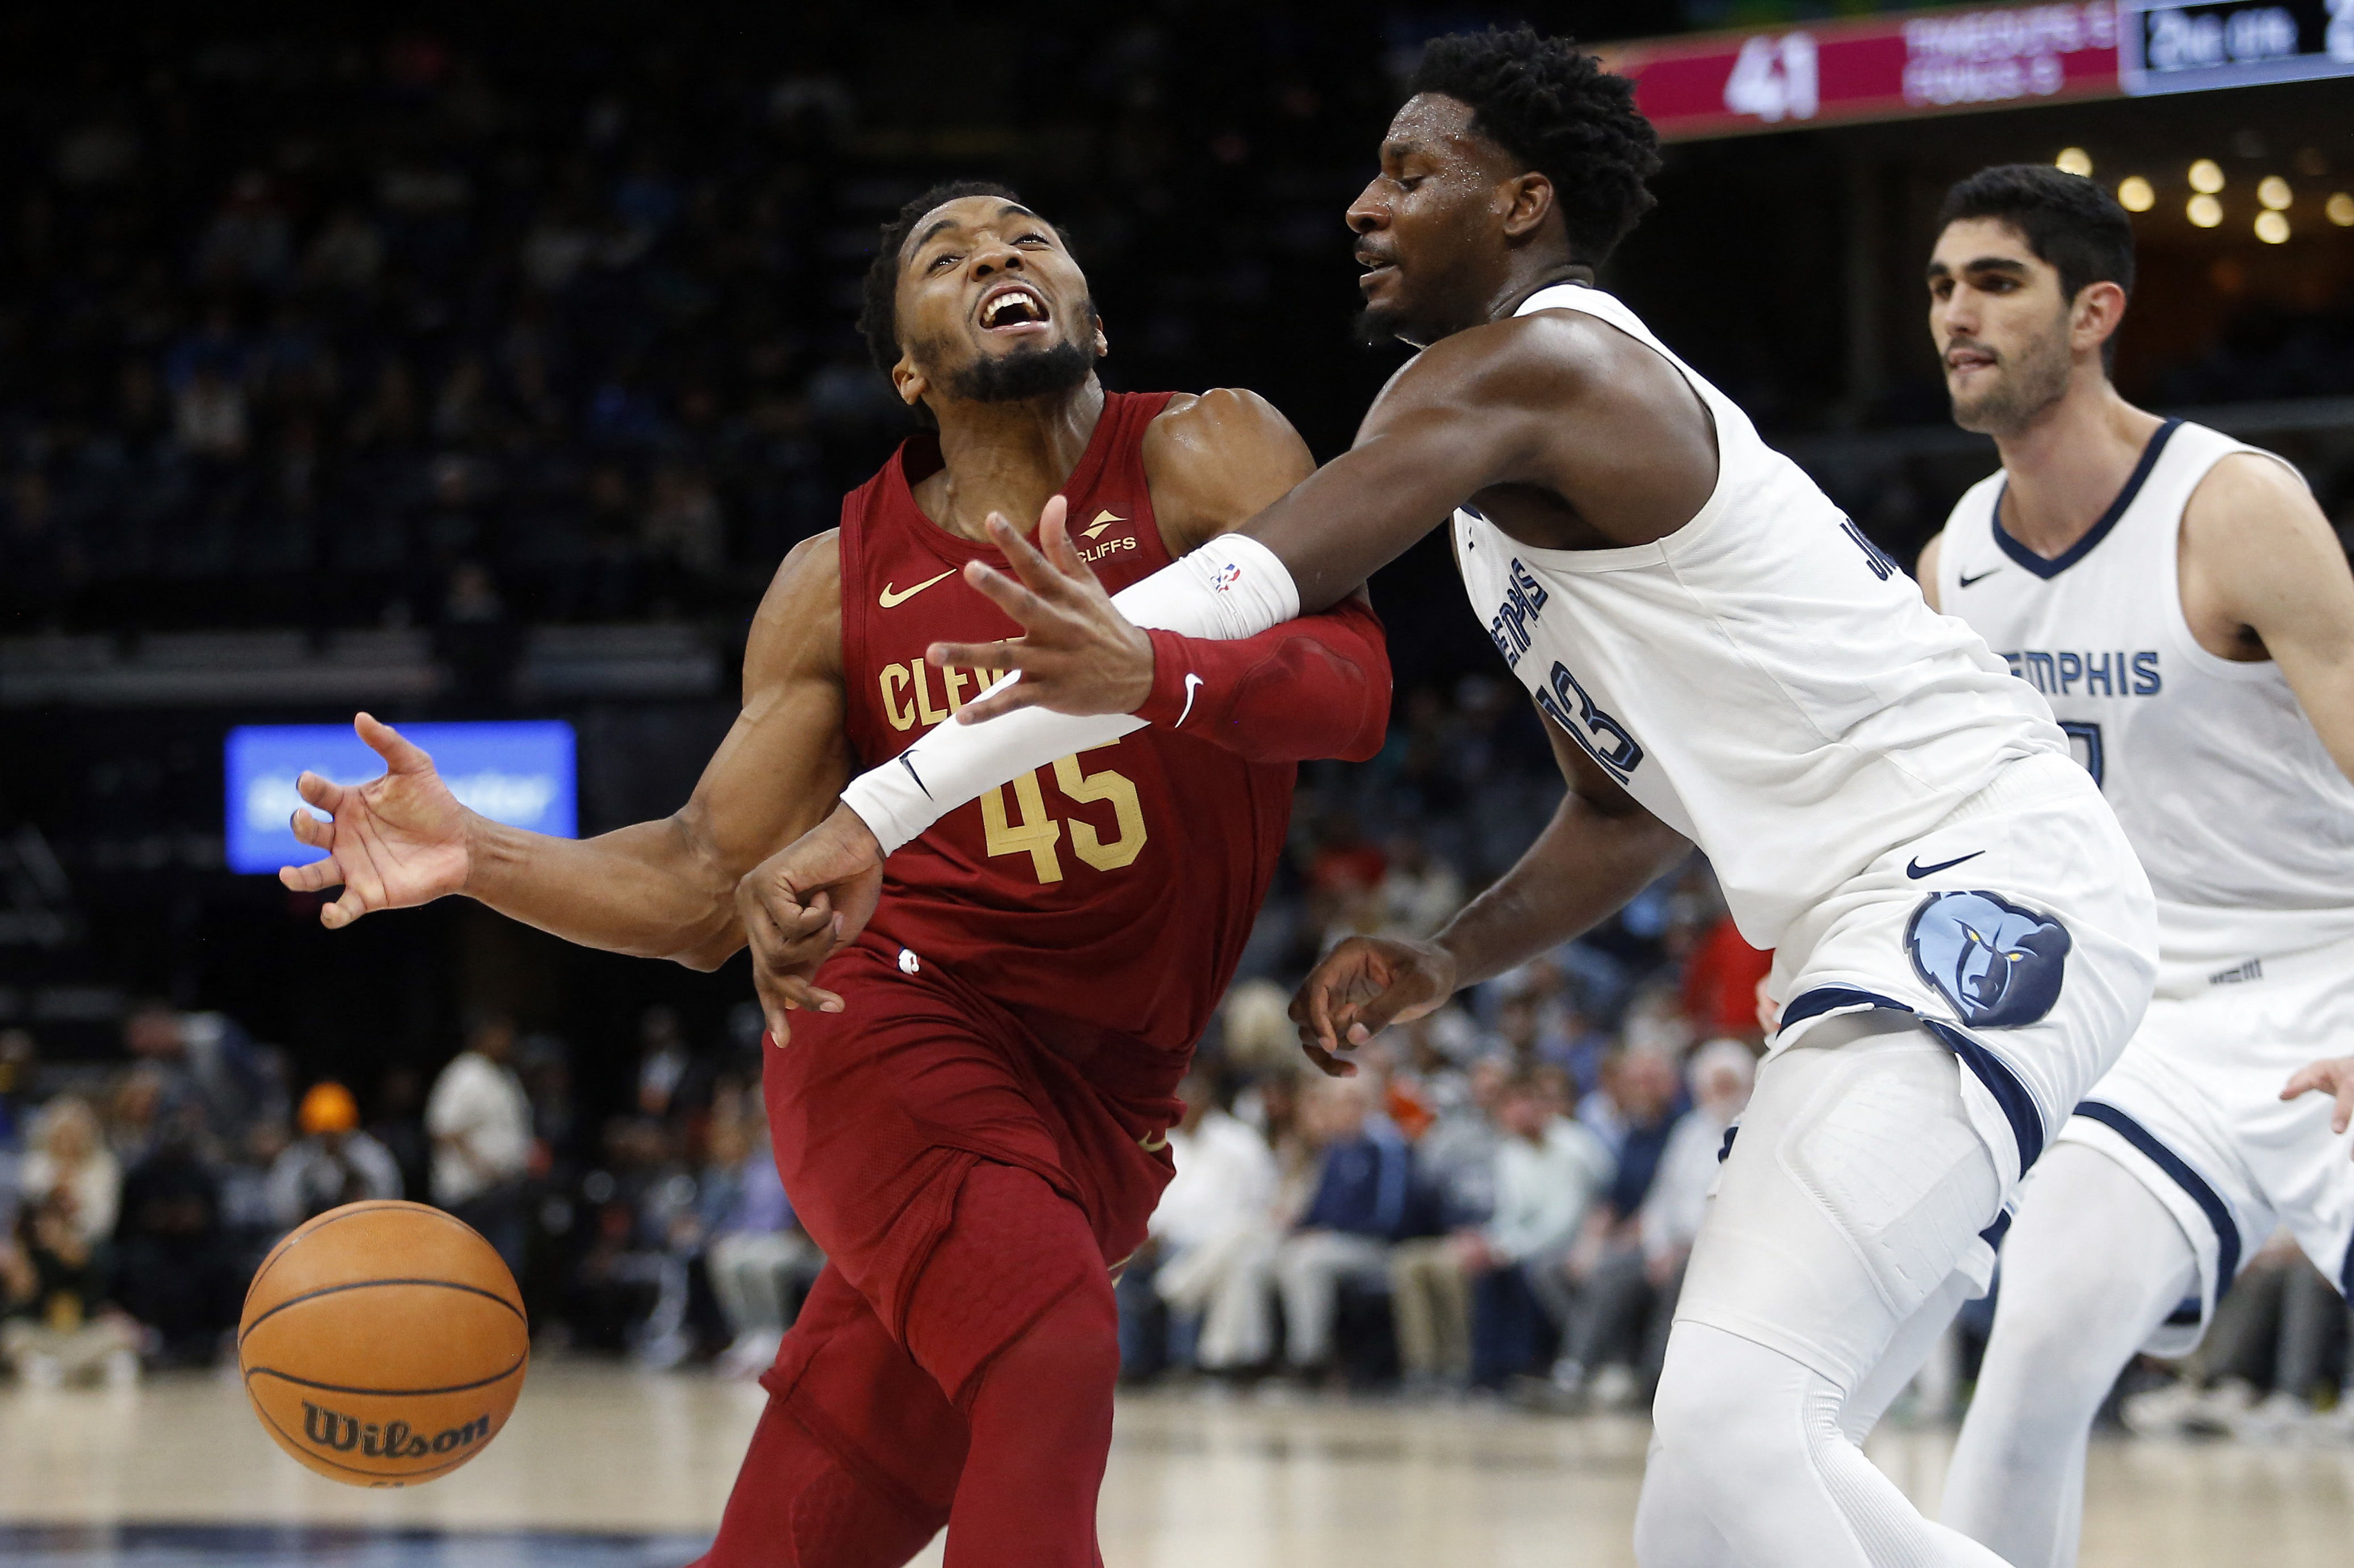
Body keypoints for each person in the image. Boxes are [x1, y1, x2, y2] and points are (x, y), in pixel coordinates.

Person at [750, 30, 2159, 1567]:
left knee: (1741, 1444)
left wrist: (887, 804)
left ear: (1521, 206)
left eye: (1410, 173)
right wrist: (1446, 956)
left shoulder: (1541, 360)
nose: (1362, 205)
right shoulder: (1498, 519)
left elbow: (1249, 579)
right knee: (1713, 1501)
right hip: (1859, 933)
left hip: (1977, 880)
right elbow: (1625, 812)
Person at [275, 179, 1390, 1565]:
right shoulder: (836, 578)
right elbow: (701, 887)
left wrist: (1149, 666)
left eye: (1029, 235)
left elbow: (1354, 690)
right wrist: (481, 854)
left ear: (1090, 314)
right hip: (896, 1024)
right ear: (907, 370)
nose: (996, 249)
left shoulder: (1205, 449)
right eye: (947, 251)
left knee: (810, 1528)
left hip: (1107, 1095)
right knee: (1048, 1348)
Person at [1911, 165, 2354, 1564]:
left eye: (1994, 282)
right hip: (2150, 1024)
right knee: (2029, 1359)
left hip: (2333, 976)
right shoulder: (1952, 567)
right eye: (1937, 286)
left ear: (2093, 310)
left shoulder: (2230, 506)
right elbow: (1956, 828)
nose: (1953, 315)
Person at [1273, 1074, 1412, 1380]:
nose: (1348, 1110)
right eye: (1341, 1103)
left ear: (1372, 1104)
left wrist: (1331, 1233)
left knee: (1307, 1262)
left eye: (1355, 1102)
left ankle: (1309, 1360)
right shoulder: (1335, 1148)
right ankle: (1257, 1358)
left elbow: (1389, 1216)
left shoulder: (1386, 1146)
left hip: (1373, 1247)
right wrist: (1298, 1227)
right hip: (1332, 1243)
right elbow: (1319, 1208)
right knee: (1270, 1255)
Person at [425, 1015, 534, 1275]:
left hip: (504, 1192)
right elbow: (443, 1129)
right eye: (501, 1034)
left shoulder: (503, 1074)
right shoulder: (466, 1073)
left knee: (506, 1272)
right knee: (470, 1274)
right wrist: (483, 1167)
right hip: (471, 1196)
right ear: (483, 1036)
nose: (508, 1041)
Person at [267, 1080, 403, 1223]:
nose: (329, 1139)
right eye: (323, 1134)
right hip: (311, 1234)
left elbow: (390, 1196)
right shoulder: (299, 1157)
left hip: (363, 1229)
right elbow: (281, 1206)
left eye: (336, 1133)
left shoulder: (368, 1154)